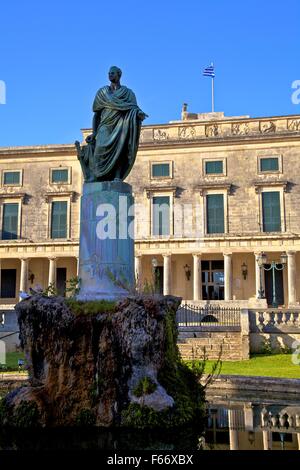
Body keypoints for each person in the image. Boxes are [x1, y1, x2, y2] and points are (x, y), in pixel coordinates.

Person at [76, 66, 147, 182]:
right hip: (105, 126)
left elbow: (134, 109)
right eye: (109, 73)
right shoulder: (102, 92)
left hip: (121, 126)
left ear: (119, 75)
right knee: (100, 150)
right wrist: (94, 133)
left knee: (120, 150)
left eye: (113, 73)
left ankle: (117, 176)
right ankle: (97, 175)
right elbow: (96, 115)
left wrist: (138, 114)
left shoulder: (128, 93)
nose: (110, 75)